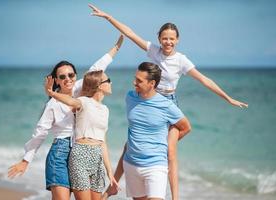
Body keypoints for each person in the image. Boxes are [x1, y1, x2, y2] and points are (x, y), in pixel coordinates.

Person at [89, 4, 249, 200]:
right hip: (148, 99)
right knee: (129, 145)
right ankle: (112, 187)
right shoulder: (154, 51)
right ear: (159, 38)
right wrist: (108, 17)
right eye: (164, 38)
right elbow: (130, 33)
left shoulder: (181, 60)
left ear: (177, 40)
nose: (168, 42)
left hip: (168, 104)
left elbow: (203, 79)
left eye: (172, 38)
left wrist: (228, 97)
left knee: (170, 152)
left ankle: (175, 197)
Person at [8, 35, 123, 200]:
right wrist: (26, 160)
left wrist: (116, 48)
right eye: (62, 77)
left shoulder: (79, 89)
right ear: (56, 80)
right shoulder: (52, 104)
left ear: (76, 76)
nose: (68, 79)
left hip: (80, 152)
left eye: (71, 75)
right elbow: (40, 132)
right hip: (60, 155)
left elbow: (98, 69)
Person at [117, 62, 191, 200]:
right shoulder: (130, 97)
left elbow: (186, 127)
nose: (134, 82)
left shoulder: (166, 105)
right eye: (135, 78)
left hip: (156, 166)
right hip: (131, 164)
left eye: (139, 80)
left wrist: (164, 144)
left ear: (152, 83)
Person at [45, 70, 119, 200]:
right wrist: (52, 93)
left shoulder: (105, 110)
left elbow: (103, 142)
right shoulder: (83, 101)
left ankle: (107, 192)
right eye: (108, 81)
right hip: (80, 156)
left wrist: (110, 172)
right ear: (100, 85)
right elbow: (69, 101)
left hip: (98, 158)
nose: (110, 83)